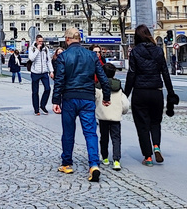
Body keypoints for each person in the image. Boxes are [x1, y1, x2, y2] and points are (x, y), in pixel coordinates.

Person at [53, 27, 109, 182]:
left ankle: (67, 163)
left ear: (67, 39)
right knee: (90, 132)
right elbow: (103, 77)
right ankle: (93, 165)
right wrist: (107, 96)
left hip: (70, 98)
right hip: (87, 98)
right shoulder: (92, 56)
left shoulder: (63, 57)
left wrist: (56, 101)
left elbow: (59, 80)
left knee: (68, 132)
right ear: (80, 39)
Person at [124, 25, 176, 167]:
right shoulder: (159, 51)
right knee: (155, 122)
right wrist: (171, 93)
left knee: (142, 125)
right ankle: (157, 146)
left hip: (140, 92)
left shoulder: (135, 52)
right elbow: (165, 73)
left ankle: (147, 157)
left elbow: (131, 74)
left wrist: (125, 95)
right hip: (156, 91)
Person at [96, 62, 129, 170]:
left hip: (102, 116)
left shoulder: (98, 86)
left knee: (104, 137)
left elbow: (94, 101)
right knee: (116, 138)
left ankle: (105, 157)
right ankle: (116, 160)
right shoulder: (118, 87)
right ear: (114, 74)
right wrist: (122, 111)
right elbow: (125, 103)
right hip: (115, 116)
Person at [28, 34, 54, 115]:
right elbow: (31, 58)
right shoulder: (32, 48)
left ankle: (43, 105)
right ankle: (36, 109)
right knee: (35, 92)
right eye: (39, 41)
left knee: (47, 89)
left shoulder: (45, 49)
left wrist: (51, 71)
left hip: (44, 72)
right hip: (35, 72)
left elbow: (48, 61)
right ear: (36, 41)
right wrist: (37, 50)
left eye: (42, 41)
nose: (41, 43)